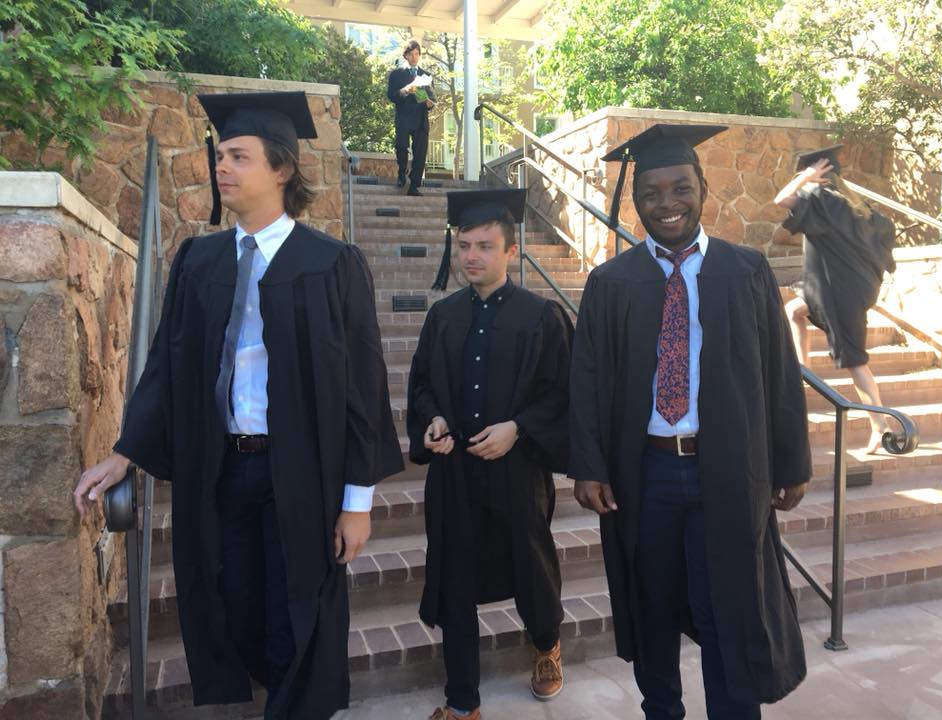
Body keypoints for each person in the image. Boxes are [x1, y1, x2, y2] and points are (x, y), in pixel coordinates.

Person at [73, 91, 404, 720]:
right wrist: (125, 453)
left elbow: (362, 387)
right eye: (220, 155)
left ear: (281, 169)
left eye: (239, 156)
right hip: (222, 470)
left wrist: (356, 503)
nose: (221, 167)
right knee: (234, 601)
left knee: (298, 612)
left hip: (302, 474)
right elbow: (165, 367)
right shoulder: (197, 261)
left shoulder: (333, 264)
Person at [569, 124, 811, 720]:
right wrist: (589, 465)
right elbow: (587, 380)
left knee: (729, 608)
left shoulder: (746, 270)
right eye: (651, 193)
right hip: (644, 474)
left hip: (728, 470)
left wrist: (791, 462)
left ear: (703, 187)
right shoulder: (610, 282)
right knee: (651, 608)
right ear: (636, 201)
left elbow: (780, 373)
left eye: (680, 187)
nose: (667, 203)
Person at [407, 189, 573, 720]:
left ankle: (546, 645)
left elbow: (562, 394)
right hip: (454, 472)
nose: (471, 256)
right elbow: (422, 385)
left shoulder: (541, 316)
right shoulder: (443, 317)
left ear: (510, 250)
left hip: (517, 471)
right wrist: (434, 420)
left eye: (484, 246)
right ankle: (463, 703)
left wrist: (518, 429)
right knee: (455, 576)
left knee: (531, 565)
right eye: (464, 246)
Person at [775, 145, 897, 453]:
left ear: (820, 176)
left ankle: (880, 426)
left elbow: (781, 199)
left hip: (838, 297)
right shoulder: (856, 206)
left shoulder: (820, 200)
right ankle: (804, 373)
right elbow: (885, 233)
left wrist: (805, 176)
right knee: (794, 310)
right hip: (847, 292)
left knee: (855, 362)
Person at [387, 39, 436, 197]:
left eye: (417, 54)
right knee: (401, 147)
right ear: (406, 55)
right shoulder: (396, 74)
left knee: (420, 154)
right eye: (411, 54)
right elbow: (391, 96)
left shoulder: (426, 75)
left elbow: (432, 99)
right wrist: (406, 90)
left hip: (420, 119)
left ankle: (414, 185)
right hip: (404, 118)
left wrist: (430, 104)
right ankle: (402, 173)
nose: (414, 57)